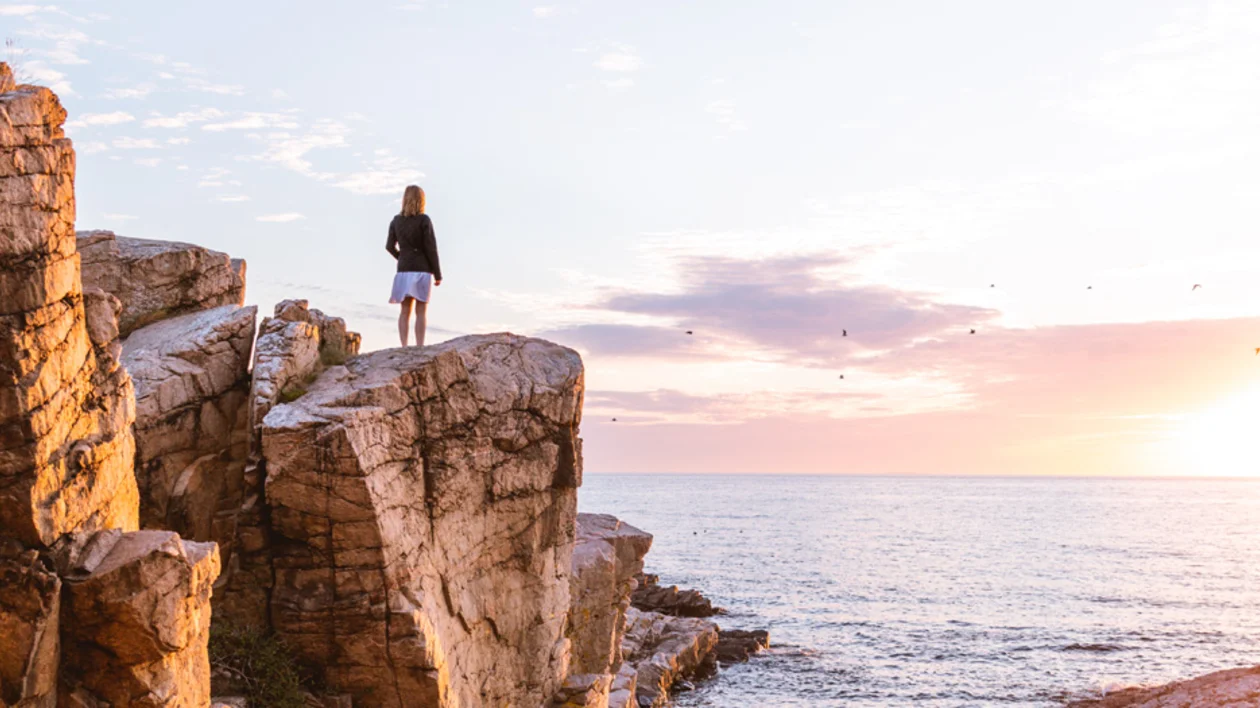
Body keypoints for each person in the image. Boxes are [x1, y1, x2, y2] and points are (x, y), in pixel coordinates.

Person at [386, 185, 442, 346]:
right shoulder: (424, 220)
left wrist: (401, 257)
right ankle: (419, 346)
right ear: (421, 200)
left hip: (403, 269)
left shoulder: (396, 221)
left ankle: (404, 345)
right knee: (421, 311)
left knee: (404, 311)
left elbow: (389, 246)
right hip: (422, 270)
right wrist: (437, 274)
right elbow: (431, 248)